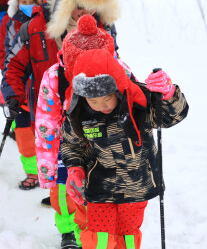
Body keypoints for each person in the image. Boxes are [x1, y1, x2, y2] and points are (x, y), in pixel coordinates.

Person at [1, 0, 121, 248]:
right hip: (51, 122)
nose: (84, 13)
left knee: (92, 183)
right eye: (79, 6)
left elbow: (118, 72)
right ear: (65, 4)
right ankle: (68, 232)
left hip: (94, 124)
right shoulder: (34, 28)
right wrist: (12, 94)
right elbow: (14, 65)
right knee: (61, 182)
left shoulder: (104, 31)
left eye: (91, 6)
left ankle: (90, 235)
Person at [61, 48, 189, 249]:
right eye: (93, 101)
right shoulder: (79, 115)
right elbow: (71, 144)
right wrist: (75, 169)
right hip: (99, 187)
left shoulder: (138, 105)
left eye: (107, 98)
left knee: (127, 237)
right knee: (98, 238)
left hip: (136, 188)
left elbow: (171, 116)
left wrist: (168, 94)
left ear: (118, 89)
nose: (102, 105)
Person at [35, 15, 133, 249]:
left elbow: (134, 108)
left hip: (106, 150)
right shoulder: (55, 76)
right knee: (65, 195)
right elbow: (46, 121)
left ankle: (95, 237)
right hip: (66, 149)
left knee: (100, 202)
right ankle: (70, 231)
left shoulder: (119, 71)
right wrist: (48, 166)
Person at [0, 0, 50, 190]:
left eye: (33, 1)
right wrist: (10, 78)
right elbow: (4, 51)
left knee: (47, 136)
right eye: (22, 1)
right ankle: (32, 172)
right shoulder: (10, 23)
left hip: (44, 92)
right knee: (24, 136)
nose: (26, 5)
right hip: (21, 93)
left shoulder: (50, 21)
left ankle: (50, 174)